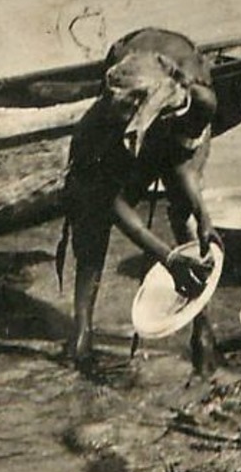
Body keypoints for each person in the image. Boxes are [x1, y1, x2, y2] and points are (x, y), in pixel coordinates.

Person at [58, 27, 222, 372]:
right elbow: (111, 202)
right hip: (136, 93)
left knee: (184, 217)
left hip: (170, 96)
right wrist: (166, 258)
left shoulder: (200, 102)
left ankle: (202, 326)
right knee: (91, 221)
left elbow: (181, 163)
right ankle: (81, 332)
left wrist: (202, 212)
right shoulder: (106, 115)